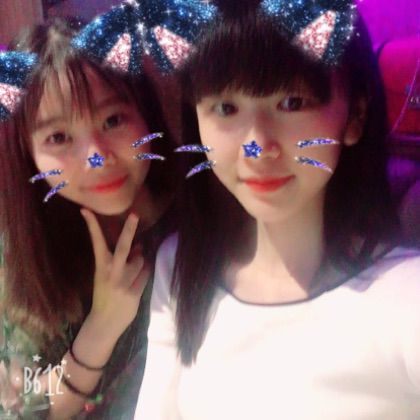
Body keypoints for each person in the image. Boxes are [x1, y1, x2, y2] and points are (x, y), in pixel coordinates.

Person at [135, 0, 420, 418]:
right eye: (226, 108)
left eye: (292, 103)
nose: (257, 147)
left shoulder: (405, 297)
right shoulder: (180, 265)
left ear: (355, 115)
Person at [0, 14, 179, 420]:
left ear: (145, 115)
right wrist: (103, 325)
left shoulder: (202, 221)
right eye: (59, 137)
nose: (96, 157)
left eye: (113, 120)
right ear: (29, 154)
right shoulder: (21, 253)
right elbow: (17, 407)